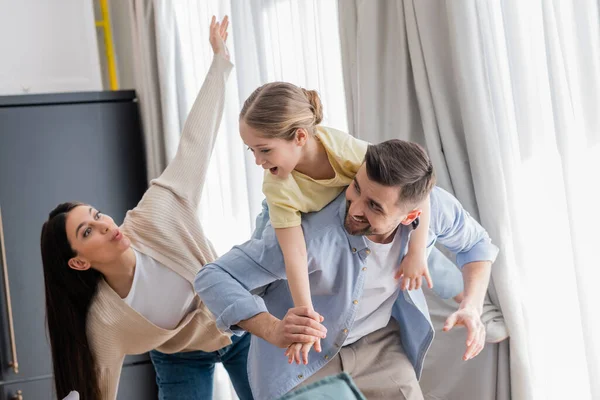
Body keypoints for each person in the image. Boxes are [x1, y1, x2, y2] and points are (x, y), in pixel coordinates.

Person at [40, 16, 252, 400]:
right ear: (79, 262)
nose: (104, 225)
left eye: (96, 214)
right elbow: (98, 391)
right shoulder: (106, 321)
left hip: (241, 323)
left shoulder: (157, 215)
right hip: (180, 357)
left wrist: (219, 65)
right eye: (86, 232)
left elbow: (195, 143)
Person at [195, 139, 499, 400]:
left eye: (375, 207)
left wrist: (472, 307)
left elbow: (476, 245)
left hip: (380, 346)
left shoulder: (436, 211)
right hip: (304, 359)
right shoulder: (310, 236)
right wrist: (271, 329)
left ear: (411, 216)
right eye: (355, 188)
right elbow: (213, 277)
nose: (354, 208)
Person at [239, 83, 435, 363]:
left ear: (300, 136)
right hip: (278, 220)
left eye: (265, 150)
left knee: (423, 249)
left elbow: (414, 187)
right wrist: (305, 315)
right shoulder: (277, 185)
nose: (258, 160)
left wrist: (416, 253)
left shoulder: (343, 150)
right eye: (252, 151)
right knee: (261, 280)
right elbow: (294, 255)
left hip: (341, 223)